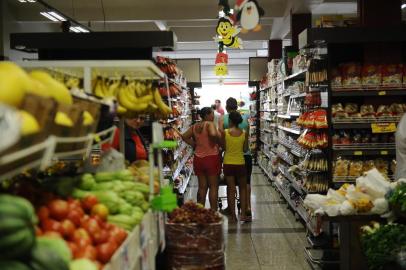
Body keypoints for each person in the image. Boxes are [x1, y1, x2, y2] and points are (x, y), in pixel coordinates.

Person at [180, 107, 221, 210]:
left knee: (202, 187)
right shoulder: (209, 124)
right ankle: (213, 212)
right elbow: (213, 134)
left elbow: (184, 136)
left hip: (198, 159)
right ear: (207, 115)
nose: (213, 116)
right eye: (212, 114)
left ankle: (200, 211)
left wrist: (194, 144)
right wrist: (217, 141)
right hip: (211, 158)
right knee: (213, 187)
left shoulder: (194, 126)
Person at [219, 97, 253, 219]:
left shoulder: (225, 131)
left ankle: (232, 215)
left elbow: (223, 147)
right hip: (242, 162)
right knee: (244, 187)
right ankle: (244, 212)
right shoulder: (244, 131)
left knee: (231, 189)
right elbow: (245, 149)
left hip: (228, 163)